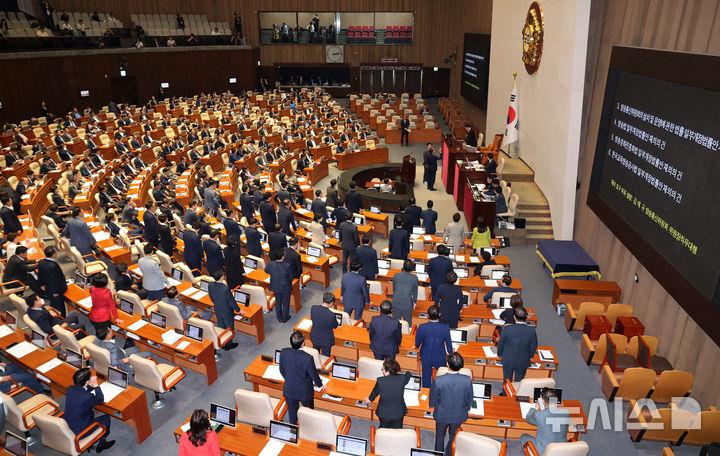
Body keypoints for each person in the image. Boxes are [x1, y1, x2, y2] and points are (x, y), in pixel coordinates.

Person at [429, 352, 473, 455]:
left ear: (447, 364)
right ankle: (449, 453)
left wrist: (432, 405)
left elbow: (433, 398)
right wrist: (468, 407)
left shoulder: (438, 380)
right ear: (461, 366)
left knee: (440, 436)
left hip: (442, 415)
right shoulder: (467, 380)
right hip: (458, 415)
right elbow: (469, 397)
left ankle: (438, 453)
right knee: (453, 436)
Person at [278, 331, 326, 424]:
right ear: (303, 343)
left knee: (292, 413)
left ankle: (293, 430)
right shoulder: (307, 358)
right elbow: (313, 375)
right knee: (309, 413)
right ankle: (309, 427)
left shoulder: (283, 352)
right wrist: (320, 385)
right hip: (304, 391)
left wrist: (289, 378)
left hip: (289, 388)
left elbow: (282, 369)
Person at [64, 368, 115, 453]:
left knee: (91, 413)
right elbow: (100, 399)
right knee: (106, 418)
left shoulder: (70, 389)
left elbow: (83, 390)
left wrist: (89, 385)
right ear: (87, 382)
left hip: (67, 425)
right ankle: (102, 443)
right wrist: (96, 386)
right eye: (90, 377)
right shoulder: (87, 397)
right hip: (79, 431)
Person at [520, 388, 570, 455]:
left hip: (545, 452)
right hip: (562, 451)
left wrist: (535, 409)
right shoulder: (565, 412)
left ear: (542, 401)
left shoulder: (539, 414)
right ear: (556, 400)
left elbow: (528, 419)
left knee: (524, 436)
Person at [365, 358, 411, 428]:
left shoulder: (380, 381)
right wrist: (400, 374)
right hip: (398, 413)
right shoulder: (402, 379)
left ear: (387, 371)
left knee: (383, 428)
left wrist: (369, 399)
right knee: (397, 429)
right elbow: (408, 374)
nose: (382, 370)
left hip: (384, 413)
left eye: (383, 369)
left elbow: (374, 393)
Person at [415, 305, 452, 387]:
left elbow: (417, 344)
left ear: (427, 316)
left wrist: (417, 346)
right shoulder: (445, 328)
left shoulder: (422, 327)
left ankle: (426, 393)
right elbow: (449, 345)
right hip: (440, 356)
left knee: (426, 377)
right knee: (442, 377)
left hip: (426, 356)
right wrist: (450, 353)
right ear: (439, 314)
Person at [497, 308, 538, 382]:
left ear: (514, 317)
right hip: (523, 360)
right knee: (519, 381)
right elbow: (534, 345)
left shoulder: (507, 328)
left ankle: (506, 393)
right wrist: (531, 356)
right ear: (526, 317)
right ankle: (518, 393)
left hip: (508, 359)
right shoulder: (531, 330)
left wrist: (499, 354)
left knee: (507, 379)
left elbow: (501, 343)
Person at [207, 270, 241, 350]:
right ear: (222, 277)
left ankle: (222, 342)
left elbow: (211, 296)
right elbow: (231, 301)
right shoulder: (225, 289)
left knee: (221, 325)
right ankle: (228, 344)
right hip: (226, 310)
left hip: (217, 308)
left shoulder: (210, 285)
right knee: (229, 326)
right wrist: (239, 310)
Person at [265, 248, 293, 322]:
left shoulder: (271, 263)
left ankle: (279, 317)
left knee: (278, 302)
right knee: (286, 303)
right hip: (285, 288)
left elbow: (266, 270)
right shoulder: (287, 266)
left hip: (275, 286)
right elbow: (291, 277)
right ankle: (285, 318)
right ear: (283, 257)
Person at [310, 292, 339, 357]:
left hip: (315, 336)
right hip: (326, 340)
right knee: (326, 357)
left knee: (315, 355)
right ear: (331, 303)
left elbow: (312, 319)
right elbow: (335, 326)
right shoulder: (331, 315)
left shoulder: (313, 308)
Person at [391, 259, 418, 324]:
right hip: (407, 304)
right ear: (412, 268)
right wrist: (414, 302)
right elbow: (415, 292)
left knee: (395, 323)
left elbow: (394, 289)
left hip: (395, 302)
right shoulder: (414, 278)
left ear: (403, 267)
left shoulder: (396, 275)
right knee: (408, 323)